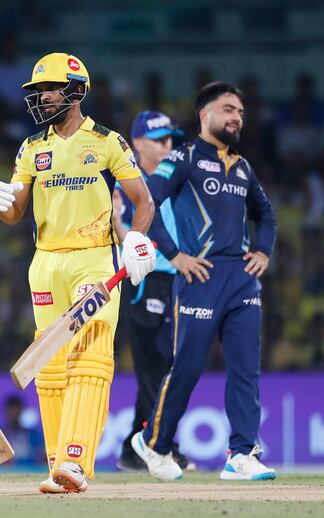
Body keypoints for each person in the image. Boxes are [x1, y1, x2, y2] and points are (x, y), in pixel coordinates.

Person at [0, 53, 156, 493]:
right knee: (52, 366)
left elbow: (143, 202)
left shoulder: (108, 141)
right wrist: (0, 203)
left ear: (76, 91)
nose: (41, 97)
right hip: (45, 265)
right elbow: (16, 212)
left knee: (90, 356)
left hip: (93, 259)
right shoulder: (31, 148)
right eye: (37, 91)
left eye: (49, 89)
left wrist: (134, 239)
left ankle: (76, 460)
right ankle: (58, 466)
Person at [131, 81, 277, 481]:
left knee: (246, 369)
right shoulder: (183, 158)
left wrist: (263, 251)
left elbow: (266, 216)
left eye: (241, 113)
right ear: (205, 115)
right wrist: (175, 255)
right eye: (229, 109)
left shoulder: (243, 166)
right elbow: (147, 200)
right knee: (188, 368)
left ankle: (242, 453)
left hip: (242, 281)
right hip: (201, 275)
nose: (236, 118)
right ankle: (154, 442)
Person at [112, 111, 205, 472]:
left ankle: (135, 447)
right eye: (160, 139)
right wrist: (119, 225)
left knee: (162, 367)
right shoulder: (127, 184)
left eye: (171, 139)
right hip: (147, 281)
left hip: (177, 283)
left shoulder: (176, 179)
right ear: (137, 143)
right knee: (157, 368)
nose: (169, 145)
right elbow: (124, 236)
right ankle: (161, 445)